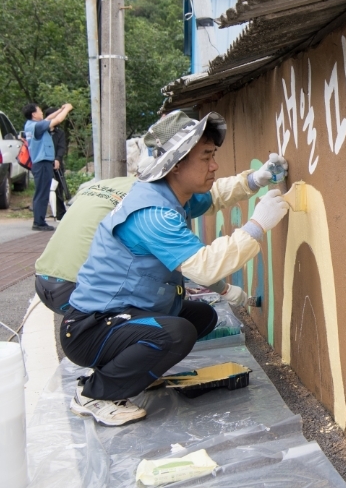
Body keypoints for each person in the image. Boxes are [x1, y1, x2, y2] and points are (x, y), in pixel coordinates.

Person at [64, 110, 288, 426]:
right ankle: (94, 393)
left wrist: (257, 178)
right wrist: (257, 225)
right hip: (90, 328)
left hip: (118, 316)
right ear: (175, 165)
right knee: (177, 333)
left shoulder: (169, 192)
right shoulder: (153, 213)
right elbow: (206, 268)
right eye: (206, 157)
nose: (215, 165)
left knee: (202, 316)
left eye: (214, 155)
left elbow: (214, 197)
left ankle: (127, 372)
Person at [34, 175, 250, 314]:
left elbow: (210, 197)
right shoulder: (151, 205)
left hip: (44, 279)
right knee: (159, 304)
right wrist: (225, 289)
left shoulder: (108, 184)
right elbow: (194, 262)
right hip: (78, 291)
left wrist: (253, 181)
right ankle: (121, 373)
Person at [22, 102, 72, 230]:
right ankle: (39, 222)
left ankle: (39, 220)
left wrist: (60, 109)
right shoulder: (37, 127)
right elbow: (57, 120)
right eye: (39, 111)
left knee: (41, 192)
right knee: (42, 193)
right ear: (34, 114)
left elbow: (48, 119)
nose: (42, 113)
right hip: (42, 163)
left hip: (40, 163)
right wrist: (66, 109)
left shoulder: (30, 125)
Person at [43, 106, 68, 220]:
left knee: (59, 188)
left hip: (57, 164)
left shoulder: (60, 133)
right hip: (44, 163)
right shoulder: (42, 132)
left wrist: (58, 158)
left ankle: (60, 213)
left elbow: (62, 147)